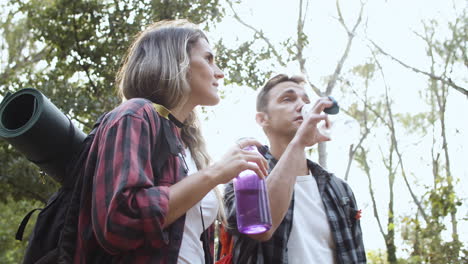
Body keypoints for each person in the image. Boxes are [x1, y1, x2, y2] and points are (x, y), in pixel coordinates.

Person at [74, 20, 269, 264]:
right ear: (178, 62)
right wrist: (215, 173)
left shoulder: (188, 146)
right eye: (208, 59)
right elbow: (120, 220)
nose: (219, 72)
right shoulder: (135, 114)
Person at [223, 74, 366, 264]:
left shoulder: (340, 189)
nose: (302, 105)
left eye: (306, 100)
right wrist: (298, 143)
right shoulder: (245, 173)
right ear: (262, 119)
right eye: (288, 99)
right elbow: (261, 229)